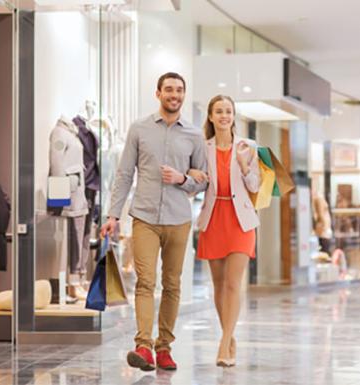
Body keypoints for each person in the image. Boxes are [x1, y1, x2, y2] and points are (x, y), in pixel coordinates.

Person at [101, 72, 207, 371]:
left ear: (184, 95)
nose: (175, 95)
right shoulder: (140, 129)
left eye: (180, 90)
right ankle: (143, 346)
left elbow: (203, 180)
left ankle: (164, 348)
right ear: (158, 93)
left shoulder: (194, 135)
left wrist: (183, 178)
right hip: (144, 216)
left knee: (172, 284)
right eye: (169, 89)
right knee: (145, 282)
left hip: (178, 219)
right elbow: (123, 175)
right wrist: (113, 215)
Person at [188, 95, 260, 367]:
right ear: (210, 116)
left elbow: (254, 186)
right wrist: (191, 176)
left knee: (233, 283)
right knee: (217, 286)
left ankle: (224, 342)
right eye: (219, 111)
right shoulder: (202, 147)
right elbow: (197, 183)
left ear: (234, 116)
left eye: (228, 111)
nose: (224, 116)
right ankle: (229, 338)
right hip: (213, 217)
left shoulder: (248, 146)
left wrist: (243, 165)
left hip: (240, 220)